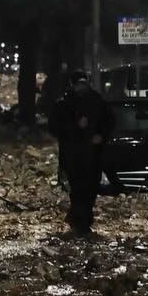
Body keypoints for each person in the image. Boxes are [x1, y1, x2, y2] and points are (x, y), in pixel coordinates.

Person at [50, 70, 113, 236]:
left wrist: (101, 136)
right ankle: (80, 222)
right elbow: (55, 127)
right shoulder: (64, 104)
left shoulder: (97, 101)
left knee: (91, 188)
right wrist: (75, 126)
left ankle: (83, 219)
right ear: (72, 85)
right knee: (77, 189)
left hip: (93, 155)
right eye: (78, 84)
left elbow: (109, 122)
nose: (81, 88)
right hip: (73, 154)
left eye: (83, 84)